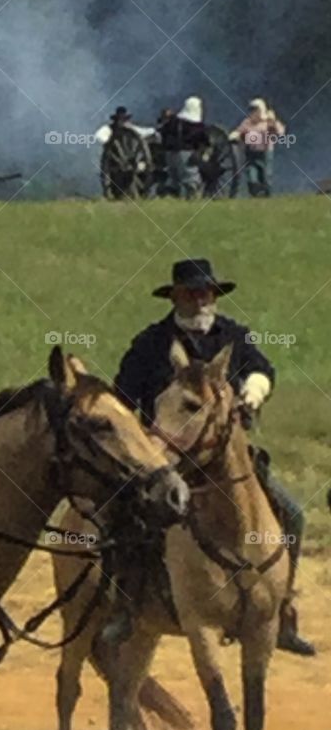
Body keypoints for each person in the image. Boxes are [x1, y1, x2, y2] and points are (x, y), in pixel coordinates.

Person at [114, 257, 315, 656]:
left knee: (292, 514)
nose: (202, 300)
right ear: (176, 297)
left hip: (229, 461)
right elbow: (123, 399)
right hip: (167, 461)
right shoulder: (150, 345)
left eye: (207, 292)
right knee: (124, 519)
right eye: (193, 292)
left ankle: (282, 610)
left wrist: (252, 393)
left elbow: (262, 369)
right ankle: (125, 607)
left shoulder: (234, 337)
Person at [230, 98, 286, 197]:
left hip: (265, 153)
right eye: (251, 110)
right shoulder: (247, 122)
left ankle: (267, 194)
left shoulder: (268, 122)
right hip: (252, 154)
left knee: (266, 177)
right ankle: (255, 193)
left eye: (255, 109)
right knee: (252, 177)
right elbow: (239, 131)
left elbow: (280, 132)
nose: (253, 112)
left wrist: (273, 122)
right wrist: (235, 135)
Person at [158, 97, 207, 199]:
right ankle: (192, 199)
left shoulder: (174, 121)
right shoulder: (197, 126)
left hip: (170, 153)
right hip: (186, 154)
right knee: (191, 178)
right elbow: (203, 140)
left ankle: (171, 197)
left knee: (173, 177)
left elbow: (163, 132)